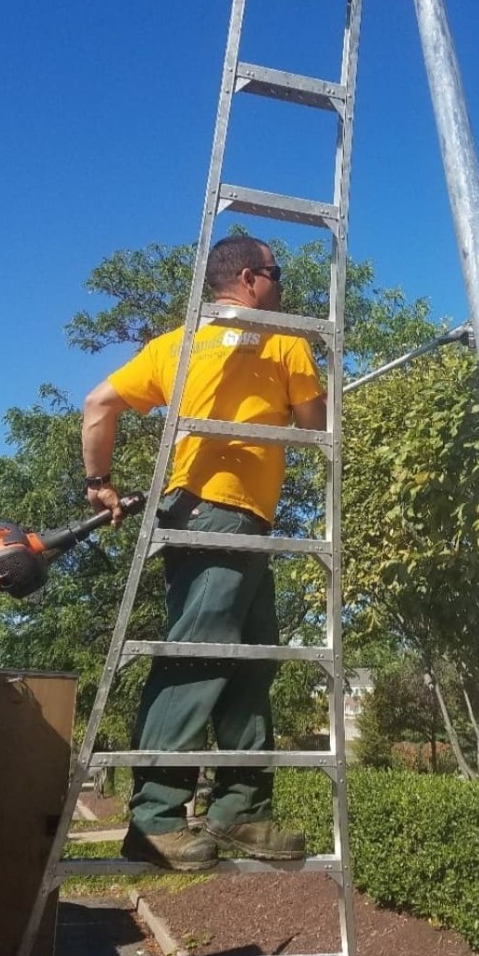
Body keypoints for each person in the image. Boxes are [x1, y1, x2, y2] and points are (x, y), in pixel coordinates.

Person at [82, 234, 326, 872]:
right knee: (199, 657)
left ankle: (241, 811)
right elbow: (315, 428)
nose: (281, 284)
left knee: (251, 660)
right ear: (249, 279)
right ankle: (155, 819)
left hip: (210, 516)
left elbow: (97, 404)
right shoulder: (283, 339)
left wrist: (97, 483)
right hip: (226, 512)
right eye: (276, 273)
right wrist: (315, 397)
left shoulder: (175, 345)